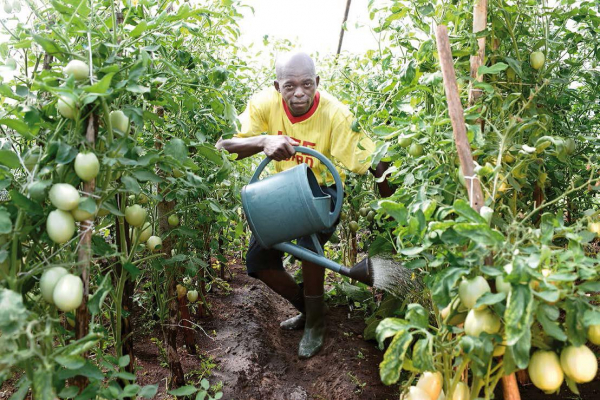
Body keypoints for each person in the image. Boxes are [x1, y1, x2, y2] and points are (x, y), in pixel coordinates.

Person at [216, 52, 392, 359]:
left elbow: (376, 161)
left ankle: (317, 324)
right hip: (283, 191)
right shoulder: (264, 105)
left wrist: (393, 207)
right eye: (290, 85)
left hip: (323, 190)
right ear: (277, 86)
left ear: (317, 83)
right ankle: (309, 309)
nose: (299, 92)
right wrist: (263, 141)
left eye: (307, 84)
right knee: (259, 263)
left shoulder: (335, 114)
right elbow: (223, 146)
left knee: (310, 248)